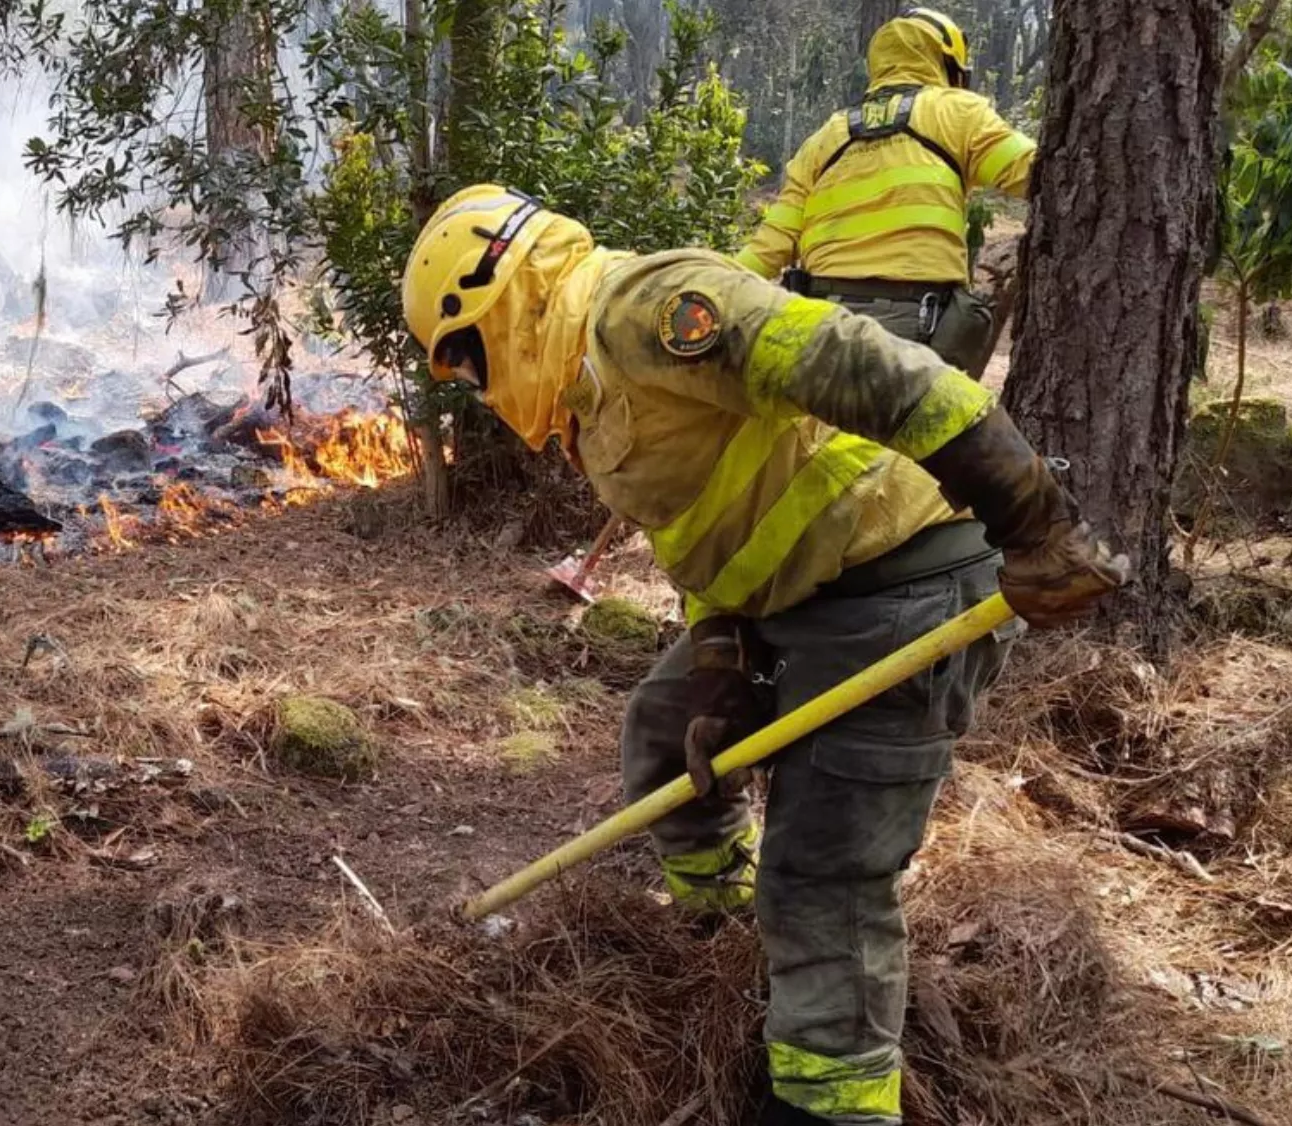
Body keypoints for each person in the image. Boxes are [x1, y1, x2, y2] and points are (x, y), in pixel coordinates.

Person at [401, 184, 1126, 1126]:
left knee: (824, 872)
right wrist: (720, 663)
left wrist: (1033, 517)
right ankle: (719, 924)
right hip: (796, 603)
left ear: (497, 294)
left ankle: (832, 1100)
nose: (474, 386)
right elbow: (706, 536)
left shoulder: (642, 311)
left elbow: (865, 362)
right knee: (664, 731)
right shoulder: (592, 390)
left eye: (466, 360)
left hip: (896, 589)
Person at [734, 7, 1036, 373]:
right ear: (948, 65)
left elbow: (771, 246)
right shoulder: (957, 112)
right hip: (917, 326)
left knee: (822, 430)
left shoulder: (826, 137)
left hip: (819, 323)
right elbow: (1036, 175)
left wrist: (707, 282)